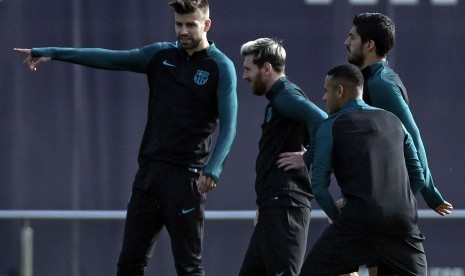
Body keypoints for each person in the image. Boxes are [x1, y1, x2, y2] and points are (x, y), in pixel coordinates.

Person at [14, 0, 237, 275]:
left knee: (189, 267)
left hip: (186, 180)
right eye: (179, 24)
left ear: (206, 24)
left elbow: (229, 126)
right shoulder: (159, 55)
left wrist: (213, 168)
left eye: (190, 24)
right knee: (129, 264)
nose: (183, 31)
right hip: (148, 178)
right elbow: (108, 57)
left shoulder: (220, 66)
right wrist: (54, 53)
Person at [344, 12, 453, 275]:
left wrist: (428, 190)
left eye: (352, 37)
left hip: (387, 203)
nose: (346, 42)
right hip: (376, 199)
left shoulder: (381, 84)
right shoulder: (370, 80)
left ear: (369, 45)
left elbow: (412, 136)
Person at [299, 64, 428, 275]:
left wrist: (340, 220)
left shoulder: (330, 125)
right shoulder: (395, 121)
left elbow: (319, 187)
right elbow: (419, 178)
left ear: (340, 91)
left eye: (326, 90)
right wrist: (396, 205)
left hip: (356, 224)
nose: (323, 98)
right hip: (401, 224)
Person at [239, 37, 327, 276]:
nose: (245, 76)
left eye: (248, 69)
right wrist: (265, 205)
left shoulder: (286, 96)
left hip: (285, 207)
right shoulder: (278, 100)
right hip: (272, 207)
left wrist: (307, 158)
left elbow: (322, 121)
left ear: (267, 68)